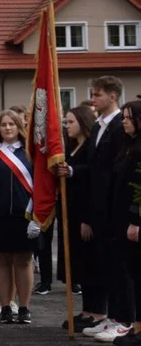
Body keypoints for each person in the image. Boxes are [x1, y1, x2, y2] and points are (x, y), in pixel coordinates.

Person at [0, 110, 38, 324]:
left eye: (12, 124)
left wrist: (37, 216)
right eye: (4, 125)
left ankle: (24, 307)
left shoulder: (31, 153)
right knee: (1, 261)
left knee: (23, 261)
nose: (8, 128)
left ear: (19, 127)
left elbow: (41, 187)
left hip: (25, 217)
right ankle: (5, 307)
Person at [81, 76, 128, 341]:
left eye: (97, 94)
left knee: (120, 268)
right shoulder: (99, 127)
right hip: (99, 207)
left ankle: (125, 318)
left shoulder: (120, 126)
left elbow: (114, 170)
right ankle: (113, 315)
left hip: (114, 207)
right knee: (107, 266)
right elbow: (95, 168)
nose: (93, 99)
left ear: (112, 96)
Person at [58, 105, 97, 330]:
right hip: (71, 213)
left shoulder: (90, 146)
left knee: (90, 265)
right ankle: (86, 310)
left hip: (84, 213)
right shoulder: (73, 147)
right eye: (66, 122)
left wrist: (87, 218)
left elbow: (93, 175)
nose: (67, 126)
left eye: (71, 122)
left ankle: (96, 311)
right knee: (80, 265)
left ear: (82, 122)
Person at [110, 100, 141, 346]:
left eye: (129, 117)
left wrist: (135, 220)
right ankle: (137, 326)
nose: (124, 122)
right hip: (121, 219)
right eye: (123, 117)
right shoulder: (128, 146)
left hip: (134, 222)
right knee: (134, 274)